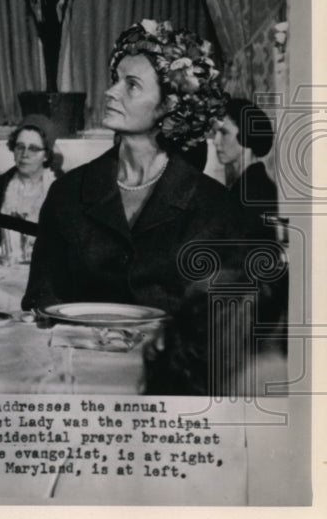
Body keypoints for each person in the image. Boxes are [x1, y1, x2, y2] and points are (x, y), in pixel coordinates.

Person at [23, 20, 254, 317]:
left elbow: (228, 317)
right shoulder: (67, 193)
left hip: (169, 360)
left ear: (171, 104)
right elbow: (41, 299)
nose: (110, 92)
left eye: (131, 85)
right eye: (115, 80)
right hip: (81, 359)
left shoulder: (214, 207)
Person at [0, 114, 62, 263]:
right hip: (5, 269)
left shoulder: (63, 189)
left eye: (33, 149)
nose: (25, 155)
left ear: (46, 155)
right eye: (20, 147)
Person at [214, 97, 277, 225]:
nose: (216, 142)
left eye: (224, 133)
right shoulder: (247, 186)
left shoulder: (254, 193)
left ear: (245, 136)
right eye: (215, 133)